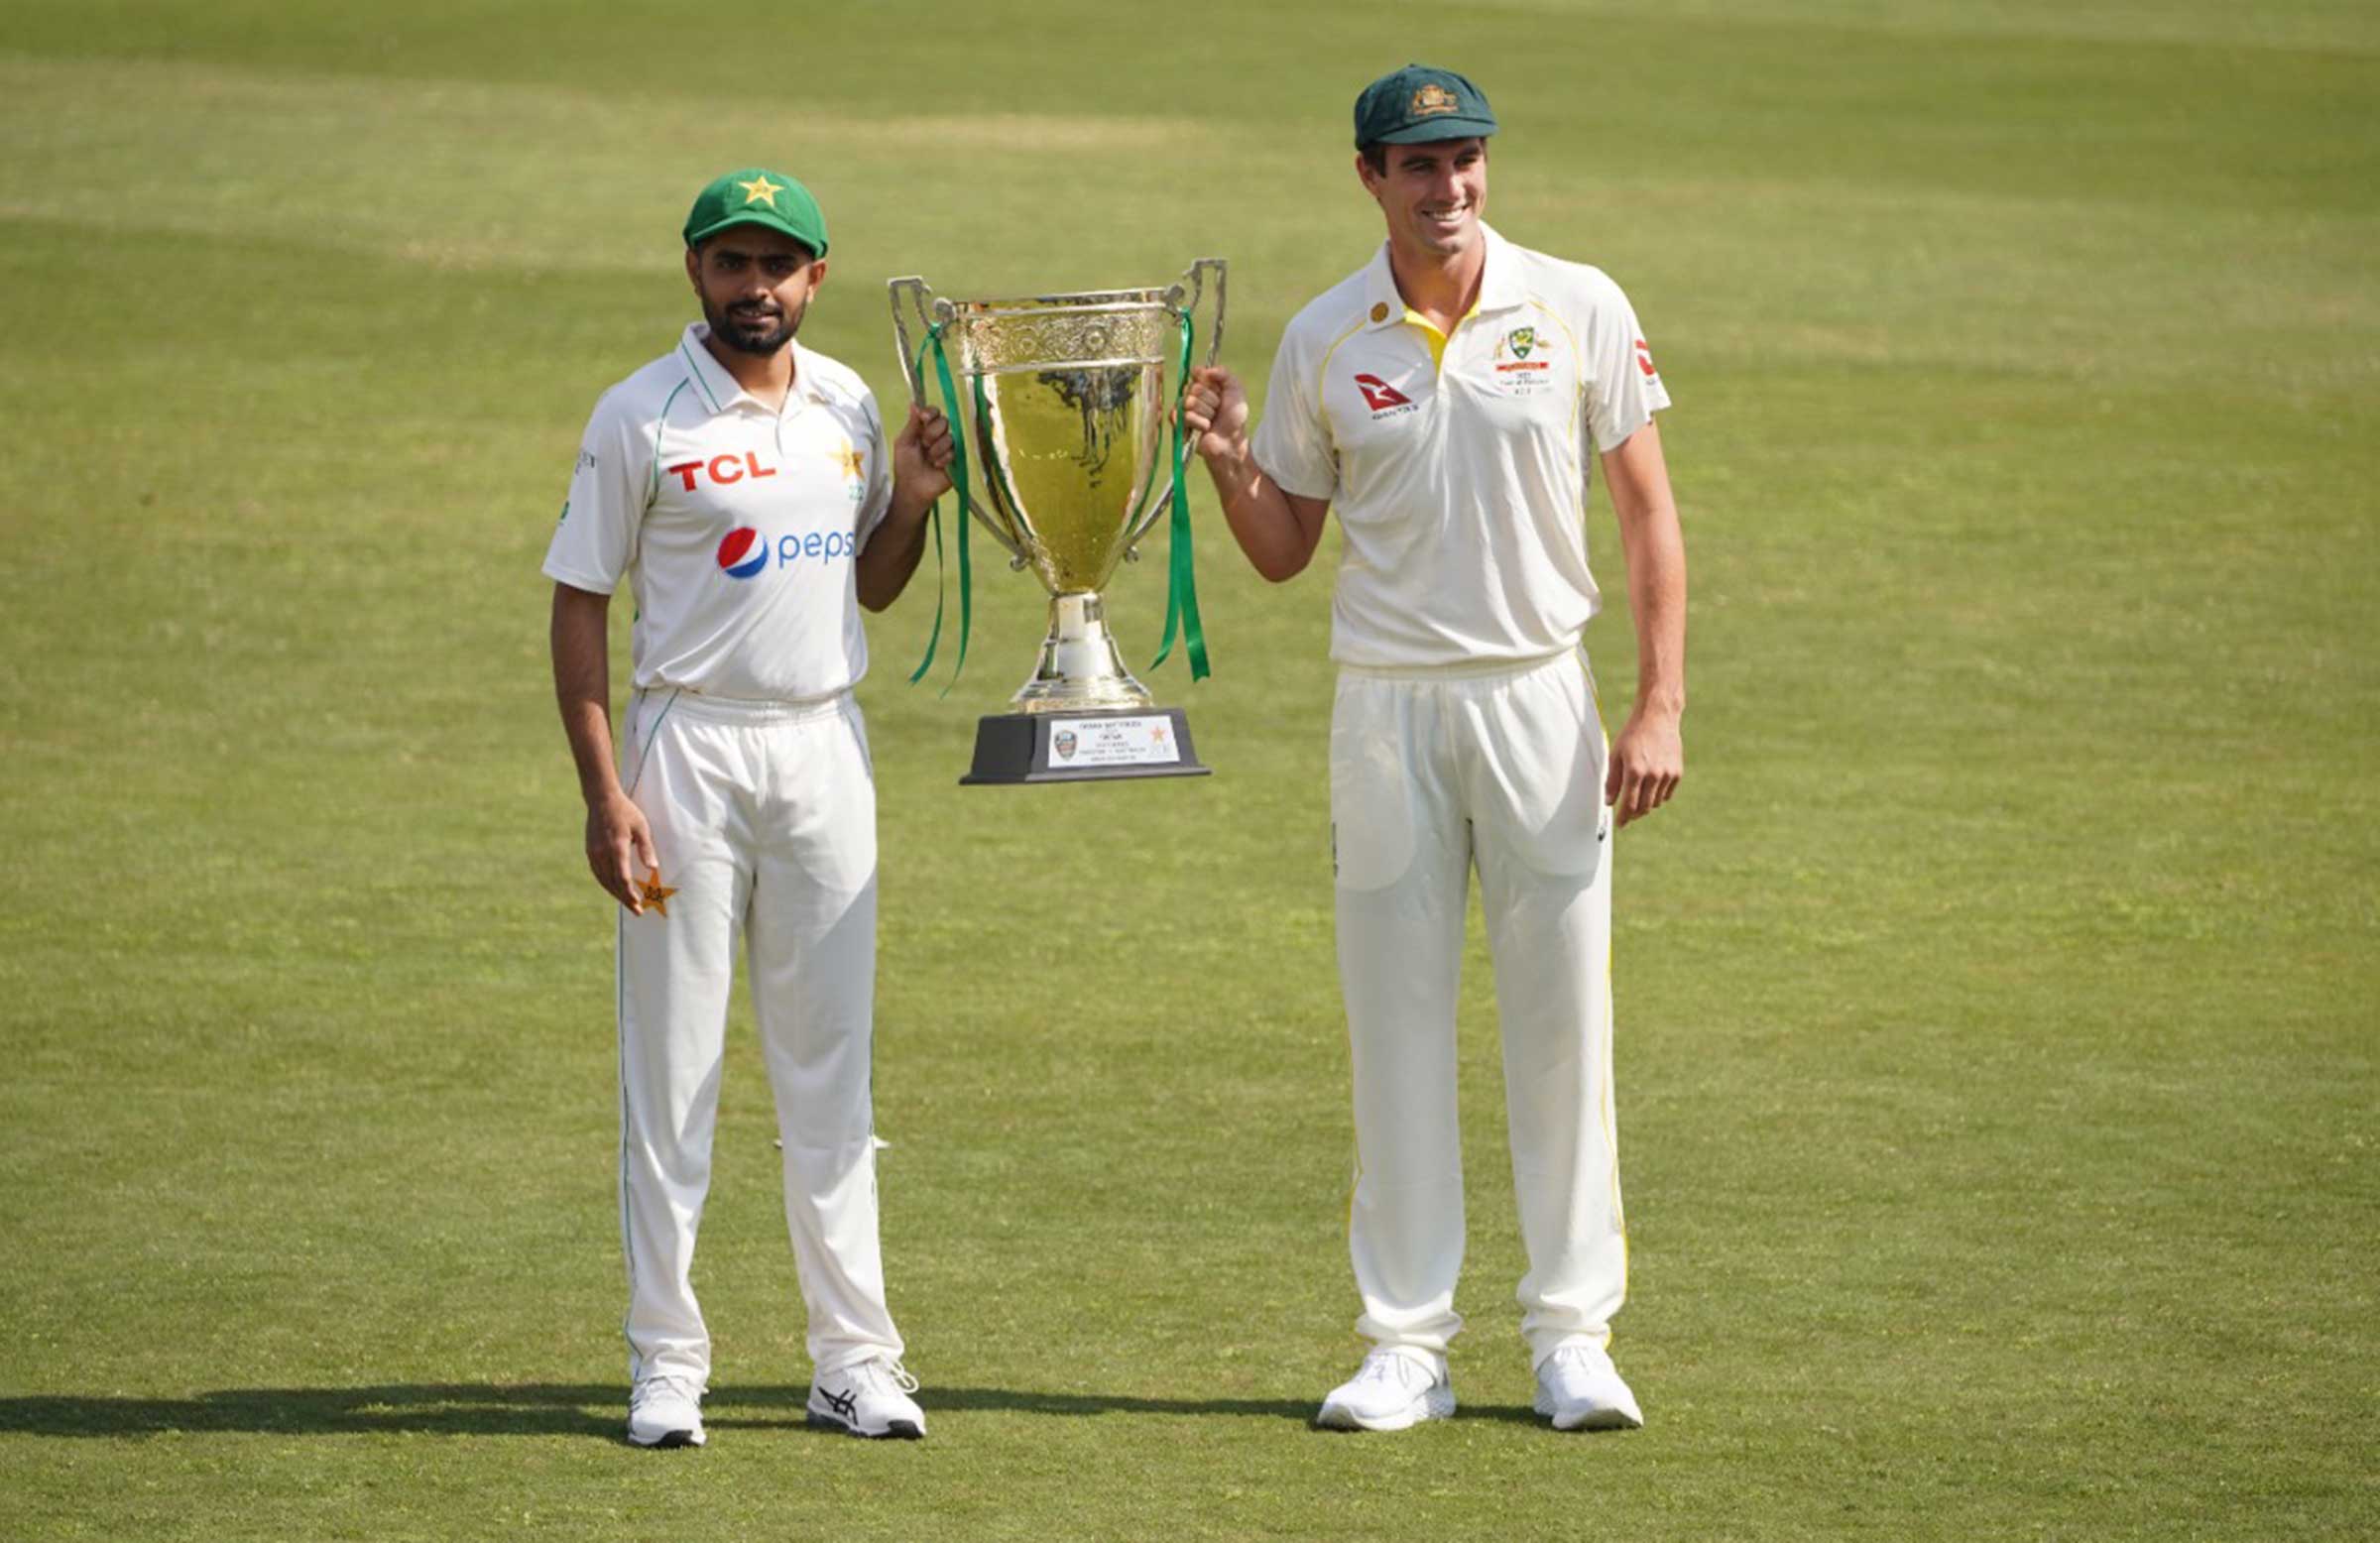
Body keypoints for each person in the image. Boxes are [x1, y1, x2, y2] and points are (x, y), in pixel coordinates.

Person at [1183, 66, 1686, 1433]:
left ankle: (1573, 1338)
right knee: (1394, 1025)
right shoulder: (1324, 337)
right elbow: (1287, 551)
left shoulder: (1578, 303)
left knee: (1562, 1020)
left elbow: (1645, 515)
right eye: (1419, 165)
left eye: (1466, 158)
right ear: (1369, 177)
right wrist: (1231, 461)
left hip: (1540, 693)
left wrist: (1660, 706)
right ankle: (1405, 1346)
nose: (1448, 186)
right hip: (1386, 708)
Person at [544, 168, 953, 1448]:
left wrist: (920, 500)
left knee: (831, 1073)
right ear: (694, 272)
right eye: (733, 264)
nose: (756, 288)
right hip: (686, 757)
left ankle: (853, 1362)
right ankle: (667, 1361)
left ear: (815, 279)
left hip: (825, 747)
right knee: (674, 1073)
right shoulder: (640, 415)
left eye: (779, 266)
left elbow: (872, 583)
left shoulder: (844, 402)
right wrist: (605, 791)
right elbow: (578, 601)